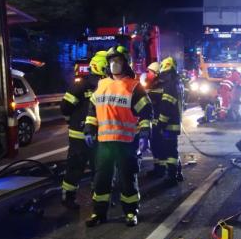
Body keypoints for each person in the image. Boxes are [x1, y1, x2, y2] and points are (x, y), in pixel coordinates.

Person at [83, 45, 152, 227]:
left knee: (127, 178)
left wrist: (145, 133)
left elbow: (146, 112)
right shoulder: (102, 85)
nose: (114, 64)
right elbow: (93, 111)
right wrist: (89, 129)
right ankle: (99, 214)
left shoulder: (134, 87)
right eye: (112, 60)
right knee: (101, 180)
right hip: (104, 143)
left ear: (125, 63)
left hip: (126, 142)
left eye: (118, 60)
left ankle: (130, 212)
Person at [59, 51, 107, 209]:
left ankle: (69, 198)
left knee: (76, 167)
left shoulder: (81, 84)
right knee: (97, 167)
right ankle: (98, 199)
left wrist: (71, 120)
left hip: (83, 135)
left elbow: (66, 108)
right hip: (91, 135)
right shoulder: (101, 86)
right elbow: (65, 107)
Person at [155, 56, 184, 186]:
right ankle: (177, 173)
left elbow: (166, 106)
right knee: (173, 149)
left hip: (169, 124)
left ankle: (171, 177)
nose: (163, 76)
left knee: (170, 152)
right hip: (174, 123)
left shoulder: (170, 85)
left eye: (164, 73)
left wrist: (160, 123)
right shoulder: (178, 83)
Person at [144, 62, 166, 178]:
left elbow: (153, 98)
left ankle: (161, 170)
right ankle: (158, 168)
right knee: (154, 145)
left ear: (156, 73)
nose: (147, 74)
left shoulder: (159, 85)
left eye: (149, 72)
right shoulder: (153, 84)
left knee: (159, 145)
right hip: (155, 121)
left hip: (159, 121)